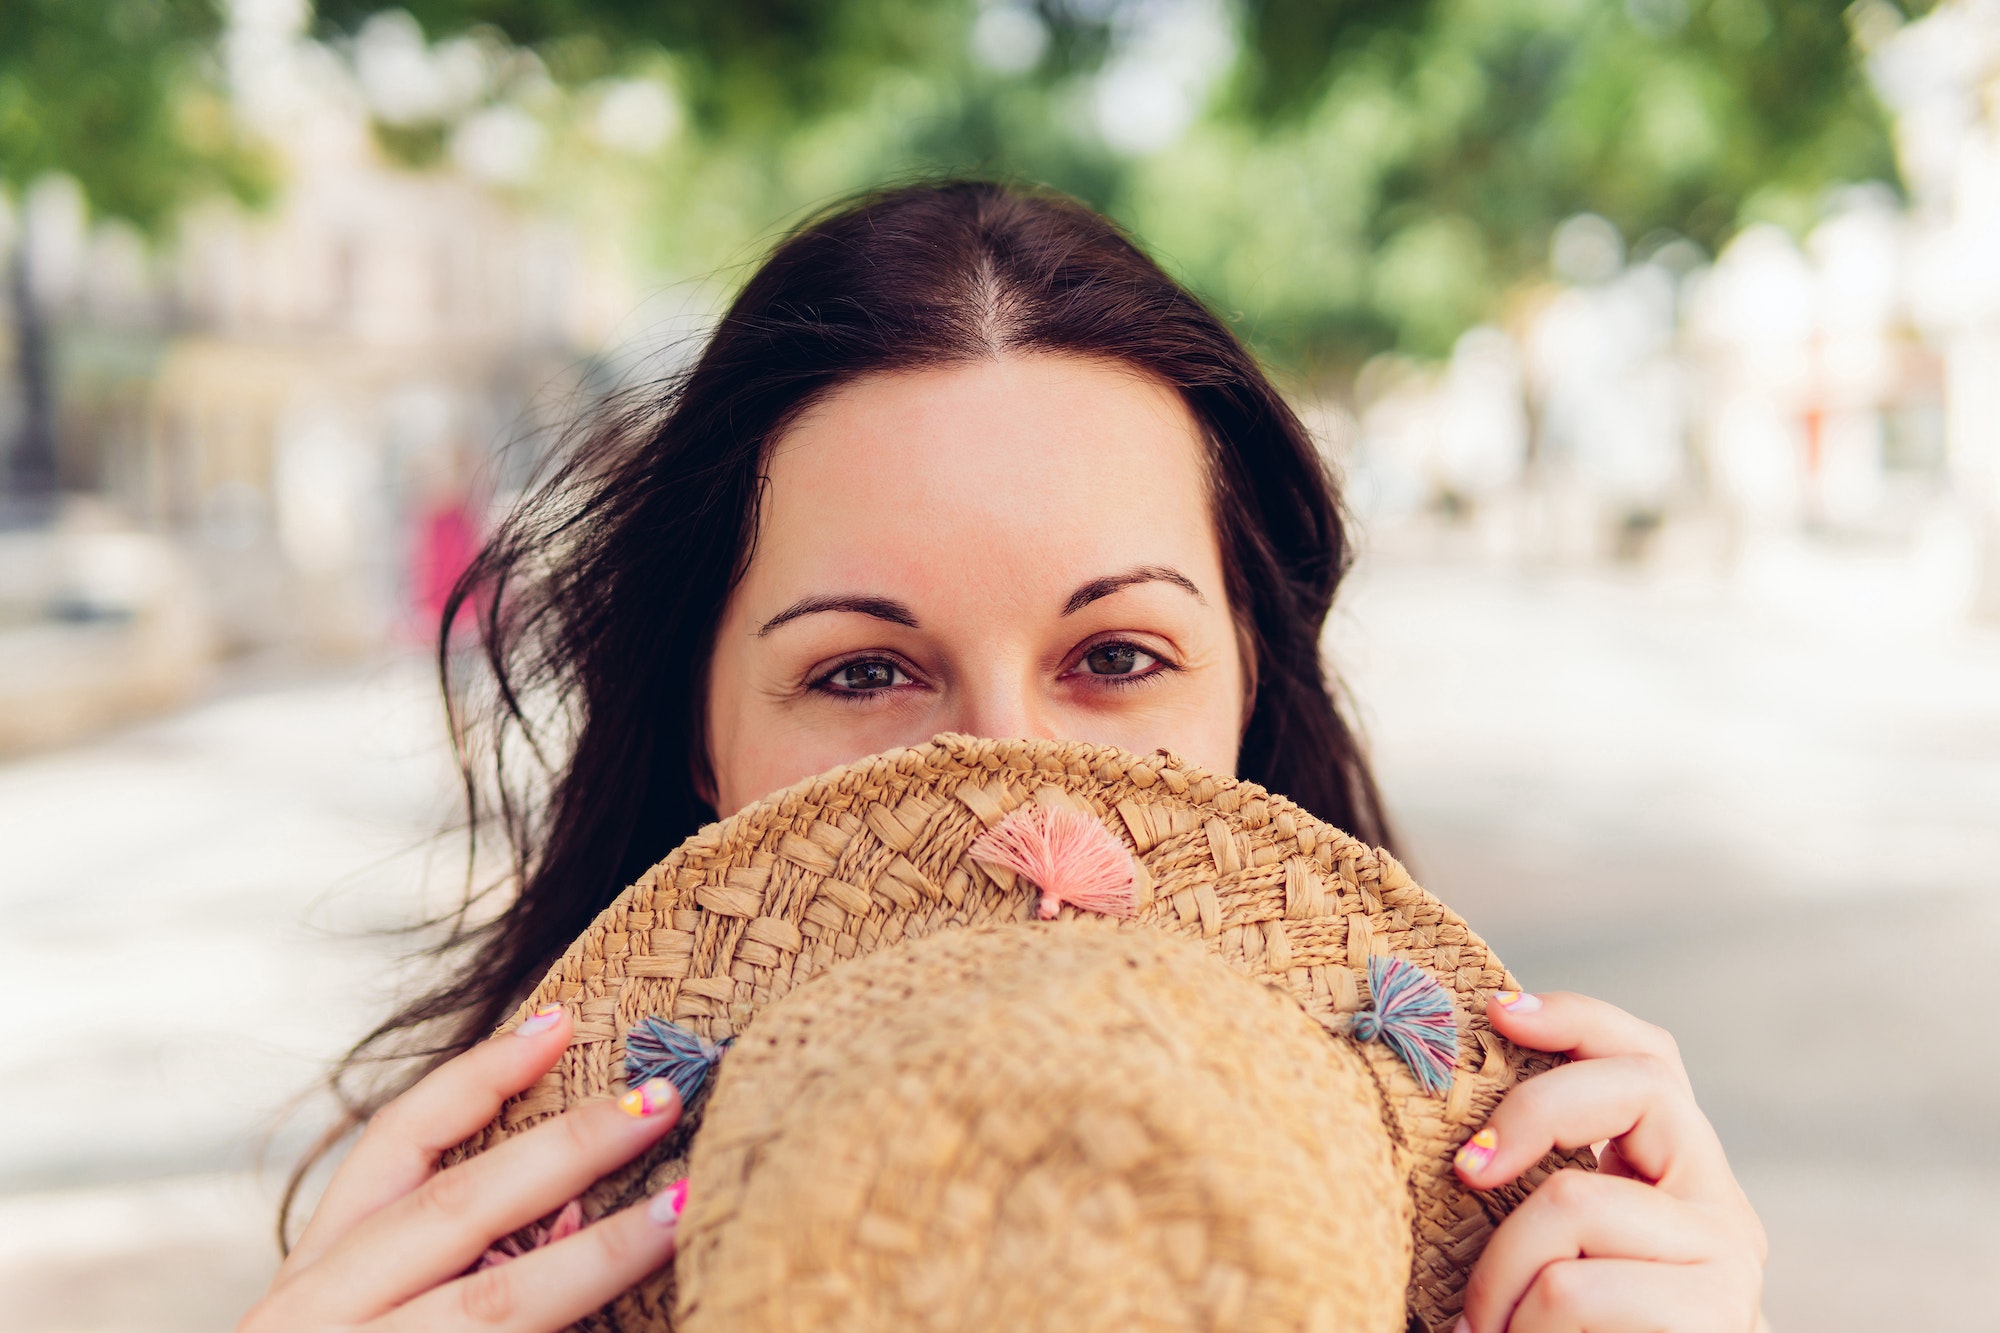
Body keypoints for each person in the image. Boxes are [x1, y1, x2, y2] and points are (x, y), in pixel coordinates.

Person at [245, 182, 1767, 1333]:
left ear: (1248, 681)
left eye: (1115, 657)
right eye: (860, 670)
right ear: (697, 734)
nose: (1008, 784)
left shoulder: (1551, 1267)